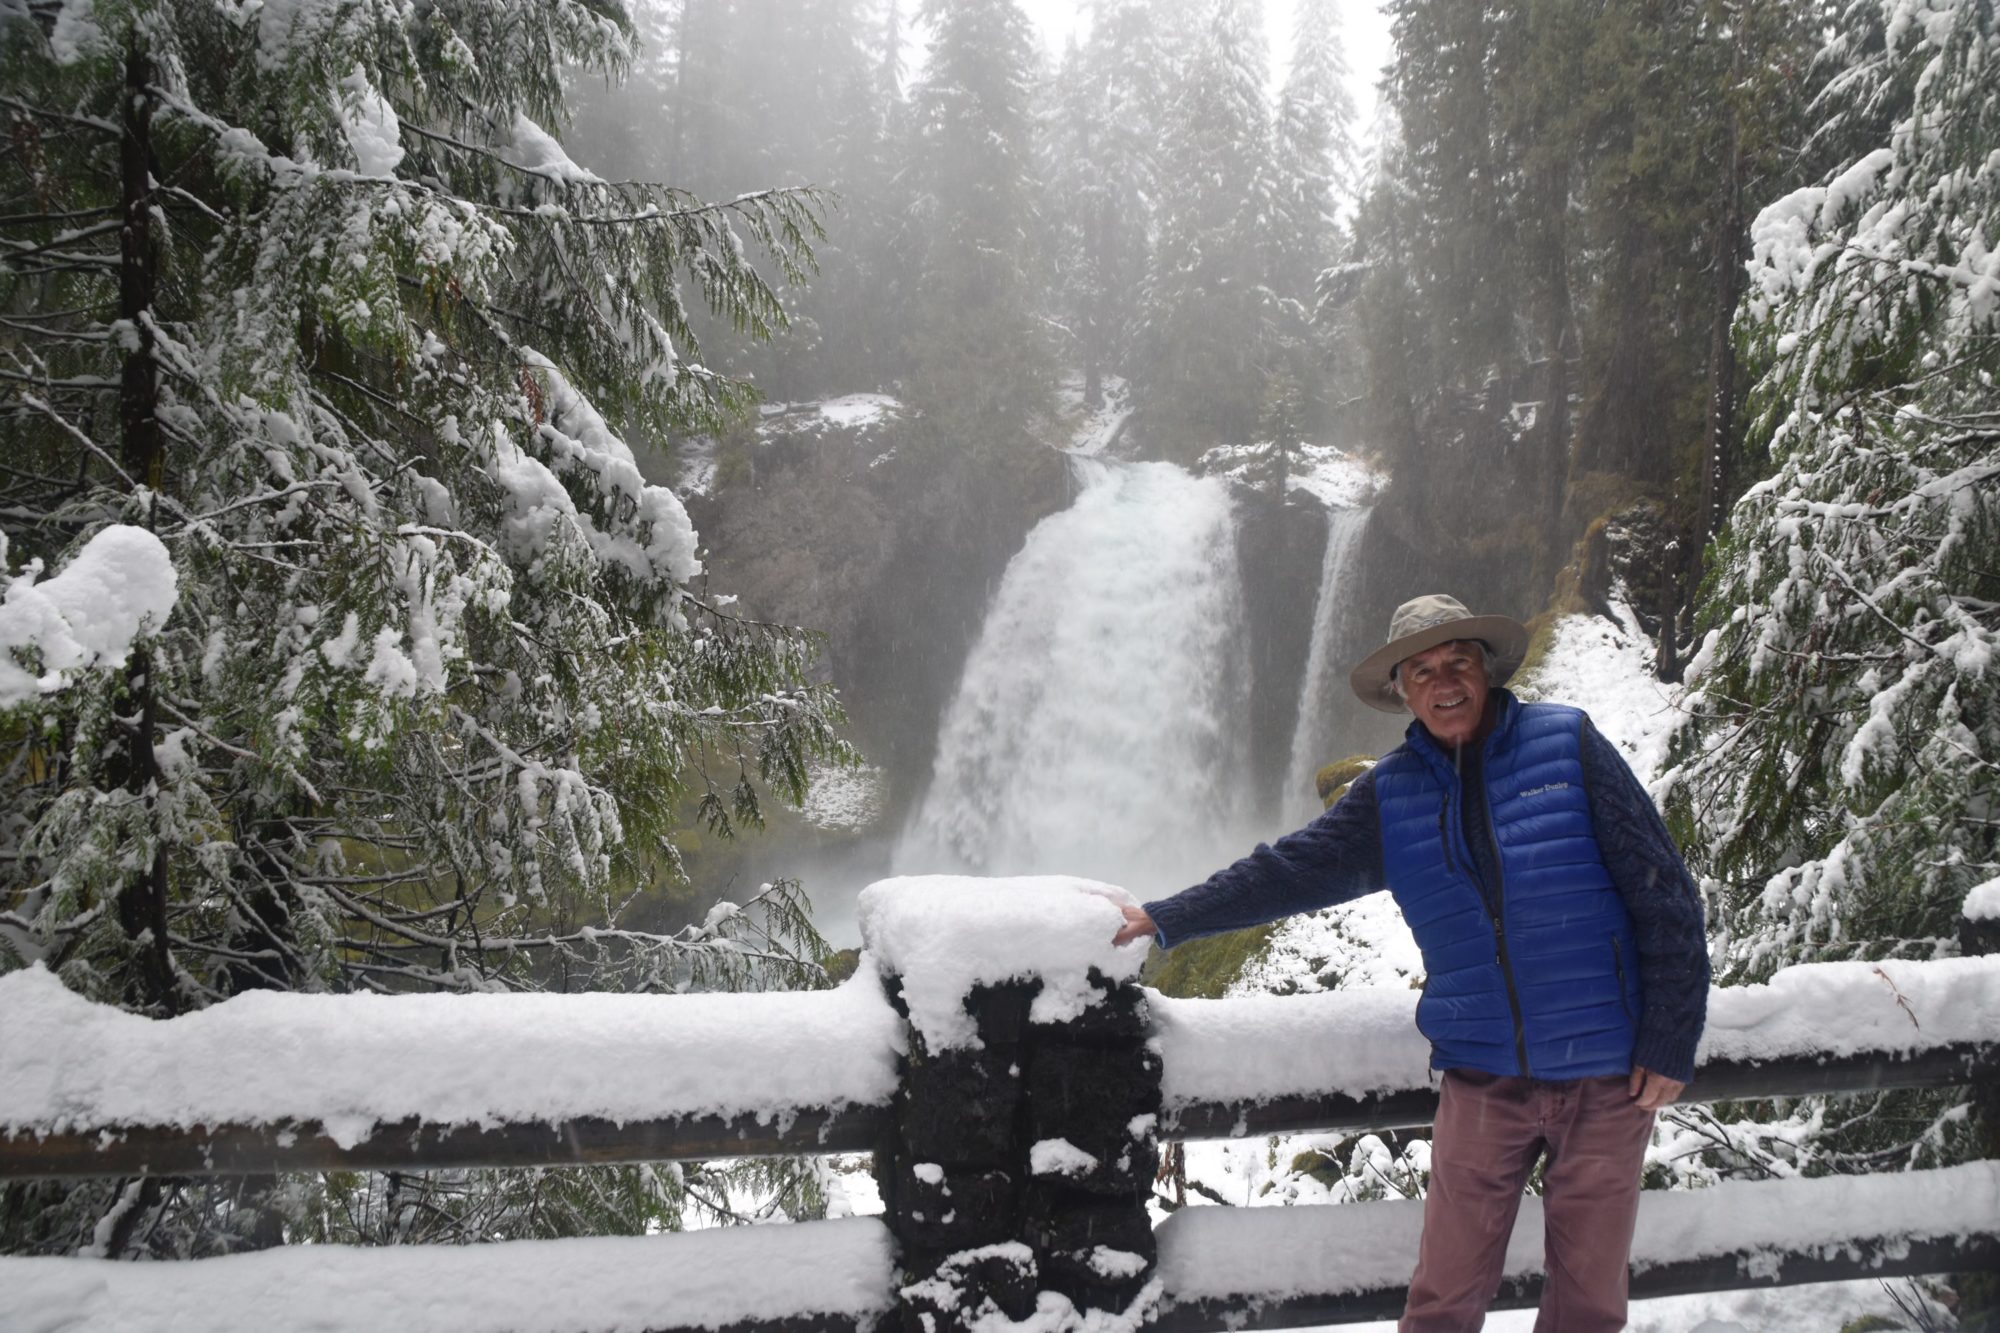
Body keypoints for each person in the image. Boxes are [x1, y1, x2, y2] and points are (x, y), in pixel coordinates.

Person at [1115, 594, 1710, 1332]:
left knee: (1588, 1301)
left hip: (1605, 1075)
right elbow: (1287, 871)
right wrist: (1170, 916)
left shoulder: (1570, 745)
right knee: (1443, 1297)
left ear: (1484, 668)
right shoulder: (1389, 795)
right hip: (1483, 1077)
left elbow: (1666, 894)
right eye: (1421, 669)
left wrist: (1669, 1038)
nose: (1443, 680)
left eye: (1457, 660)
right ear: (1401, 689)